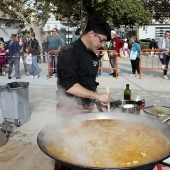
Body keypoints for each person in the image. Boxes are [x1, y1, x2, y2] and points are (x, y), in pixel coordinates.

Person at [57, 17, 111, 113]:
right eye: (101, 40)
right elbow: (70, 86)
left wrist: (98, 101)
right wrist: (98, 96)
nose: (103, 45)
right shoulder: (69, 52)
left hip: (87, 108)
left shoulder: (92, 54)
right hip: (69, 109)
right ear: (91, 34)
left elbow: (91, 82)